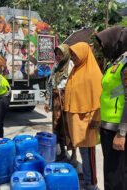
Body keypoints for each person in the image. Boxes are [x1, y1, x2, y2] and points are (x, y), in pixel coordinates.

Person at [65, 42, 102, 190]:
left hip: (88, 119)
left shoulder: (93, 73)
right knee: (82, 149)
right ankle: (87, 177)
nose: (73, 57)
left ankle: (92, 183)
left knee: (89, 151)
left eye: (75, 54)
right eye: (72, 54)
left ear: (83, 54)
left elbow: (99, 98)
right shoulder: (76, 70)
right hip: (77, 117)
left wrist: (96, 118)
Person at [95, 26, 127, 190]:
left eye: (104, 44)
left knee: (117, 179)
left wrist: (121, 133)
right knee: (110, 175)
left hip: (118, 130)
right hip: (108, 127)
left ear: (117, 41)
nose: (102, 48)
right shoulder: (115, 62)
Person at [45, 44, 76, 164]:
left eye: (61, 53)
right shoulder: (56, 66)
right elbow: (50, 83)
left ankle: (73, 155)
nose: (58, 56)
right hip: (56, 99)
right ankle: (62, 152)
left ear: (66, 53)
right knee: (57, 126)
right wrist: (48, 101)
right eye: (57, 53)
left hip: (67, 98)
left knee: (69, 127)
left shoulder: (72, 66)